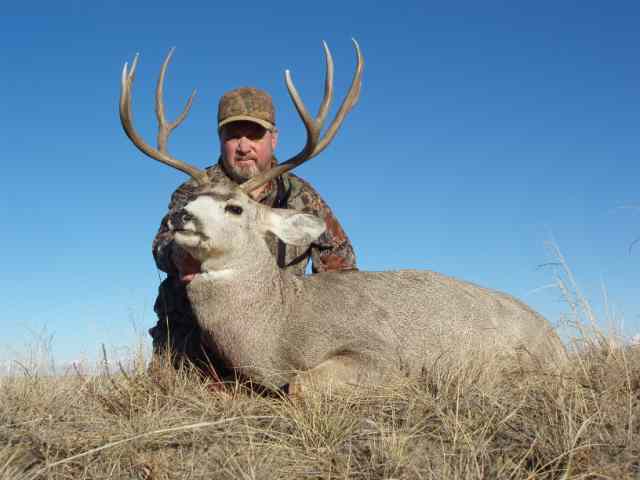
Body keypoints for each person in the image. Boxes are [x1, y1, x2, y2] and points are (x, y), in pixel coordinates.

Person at [149, 87, 358, 378]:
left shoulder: (301, 197)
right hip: (194, 336)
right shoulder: (196, 191)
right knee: (173, 391)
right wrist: (179, 254)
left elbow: (341, 270)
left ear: (273, 139)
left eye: (255, 135)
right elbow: (161, 246)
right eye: (233, 135)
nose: (244, 146)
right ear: (220, 140)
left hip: (278, 333)